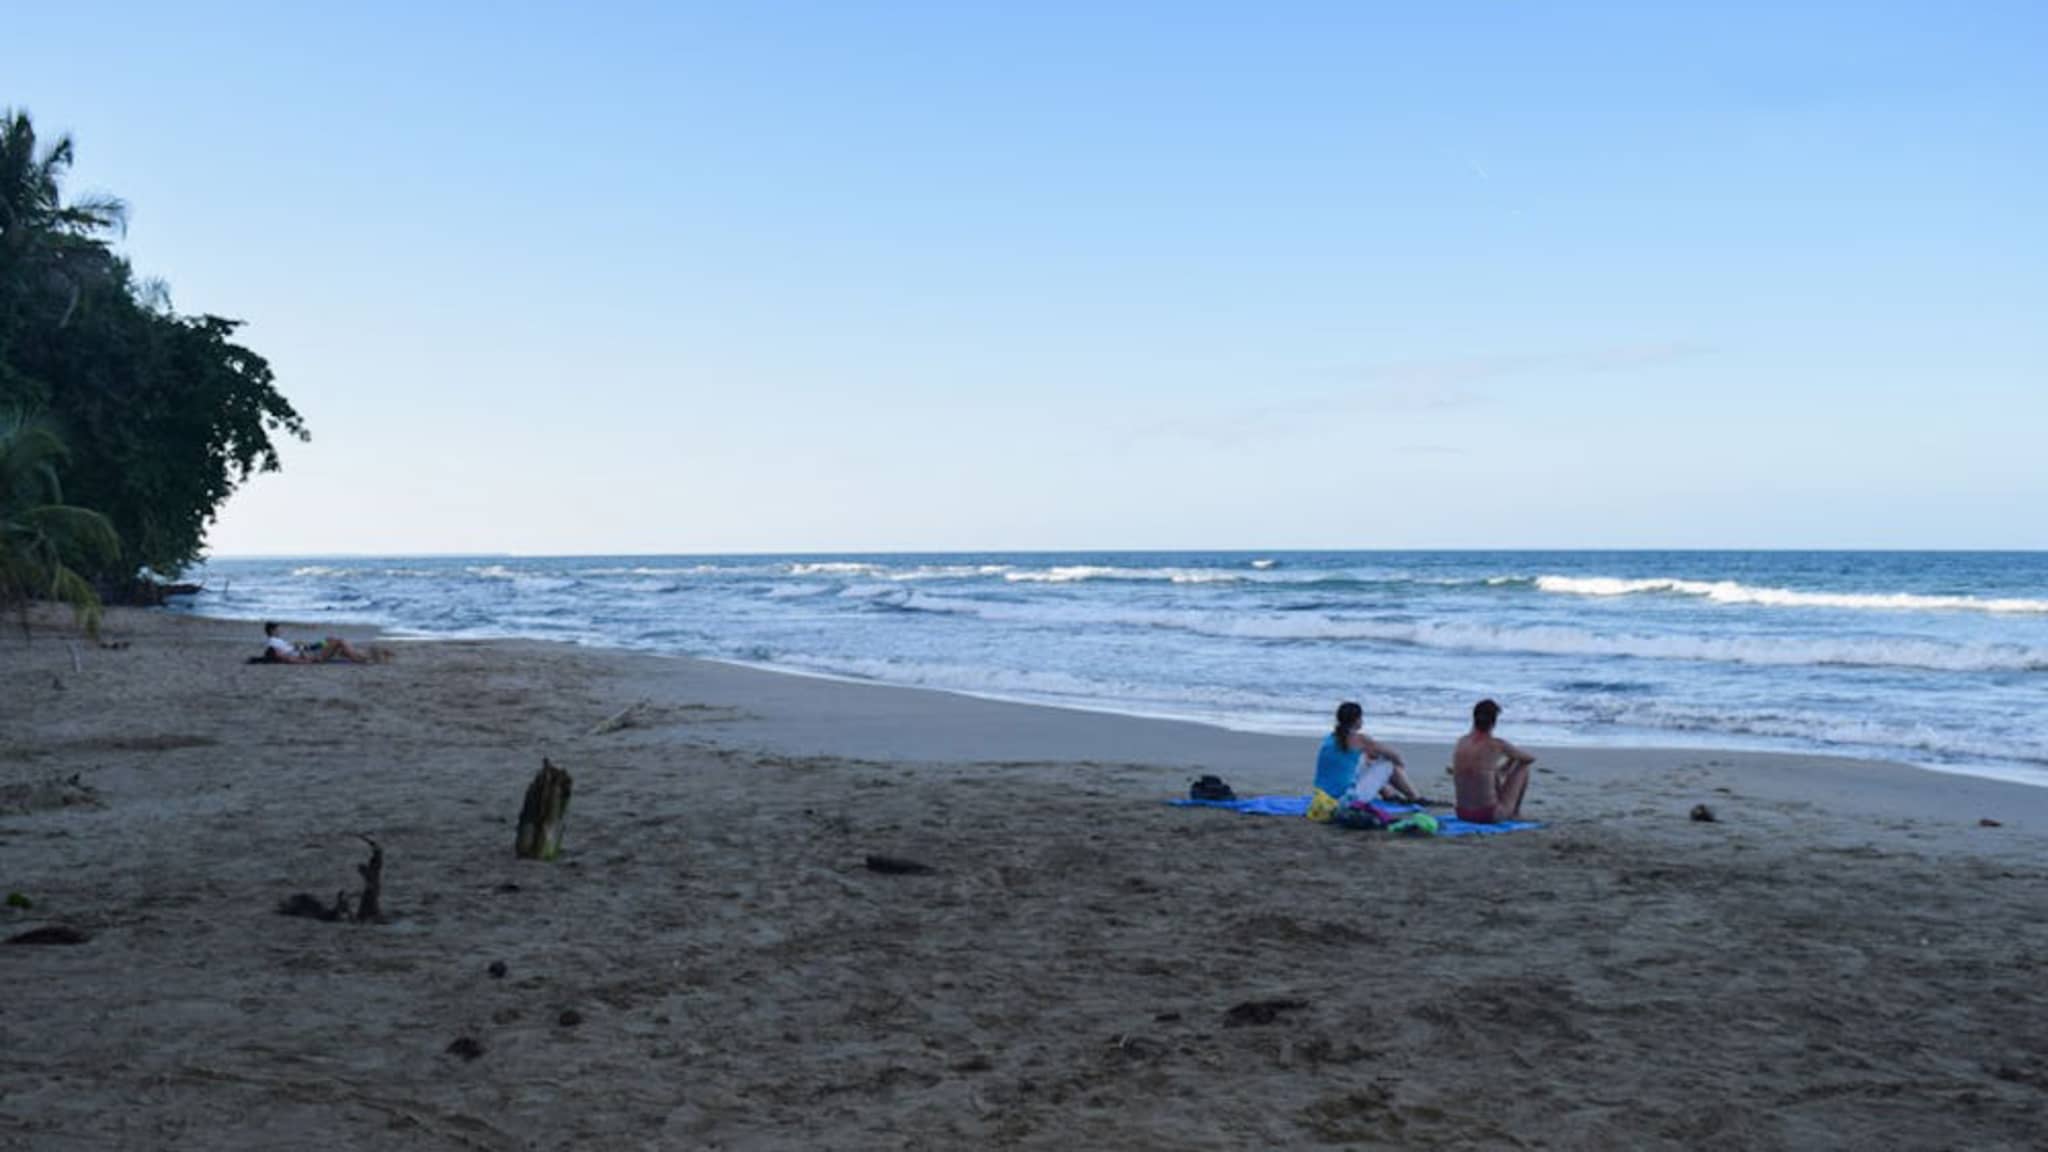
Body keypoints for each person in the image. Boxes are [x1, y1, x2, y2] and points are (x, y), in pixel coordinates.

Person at [1310, 700, 1423, 820]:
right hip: (1346, 800)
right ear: (1356, 720)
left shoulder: (1330, 738)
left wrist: (1370, 758)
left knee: (1367, 759)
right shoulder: (1360, 739)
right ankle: (1414, 797)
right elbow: (1394, 756)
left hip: (1322, 797)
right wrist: (1399, 765)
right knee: (1387, 764)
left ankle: (1388, 794)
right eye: (1361, 717)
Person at [1452, 698, 1535, 823]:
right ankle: (1515, 813)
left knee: (1489, 770)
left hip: (1462, 813)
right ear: (1494, 722)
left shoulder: (1461, 742)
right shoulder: (1496, 744)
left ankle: (1506, 806)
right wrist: (1510, 760)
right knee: (1523, 767)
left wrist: (1503, 767)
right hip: (1488, 815)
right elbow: (1529, 758)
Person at [259, 621, 386, 664]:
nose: (280, 630)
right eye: (278, 628)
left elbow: (289, 651)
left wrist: (298, 646)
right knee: (339, 642)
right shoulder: (273, 643)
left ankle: (364, 656)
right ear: (273, 630)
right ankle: (365, 657)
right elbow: (284, 657)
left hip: (308, 651)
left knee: (330, 641)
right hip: (310, 656)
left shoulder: (277, 641)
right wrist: (304, 661)